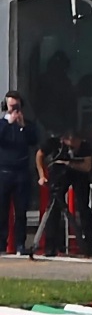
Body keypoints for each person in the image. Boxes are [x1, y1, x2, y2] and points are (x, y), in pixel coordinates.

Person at [35, 128, 92, 258]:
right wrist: (42, 175)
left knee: (83, 207)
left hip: (79, 174)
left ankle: (89, 245)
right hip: (59, 174)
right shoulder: (53, 143)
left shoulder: (85, 146)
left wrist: (68, 163)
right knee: (54, 206)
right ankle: (51, 246)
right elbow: (39, 155)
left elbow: (87, 166)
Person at [0, 90, 40, 254]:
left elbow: (34, 140)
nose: (14, 109)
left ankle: (20, 244)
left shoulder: (27, 125)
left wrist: (22, 126)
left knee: (21, 211)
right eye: (11, 106)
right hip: (4, 172)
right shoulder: (2, 124)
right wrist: (8, 123)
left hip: (21, 173)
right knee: (2, 210)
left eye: (16, 106)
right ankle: (1, 243)